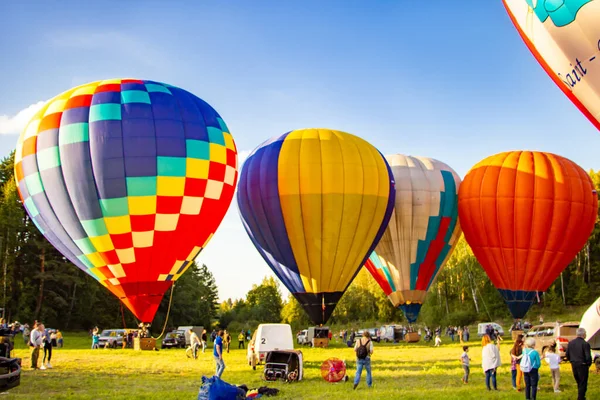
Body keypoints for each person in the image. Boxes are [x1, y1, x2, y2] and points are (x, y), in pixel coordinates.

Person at [566, 328, 592, 400]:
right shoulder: (585, 344)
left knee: (578, 381)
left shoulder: (570, 343)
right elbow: (588, 356)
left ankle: (581, 396)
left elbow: (567, 354)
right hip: (582, 364)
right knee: (583, 382)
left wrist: (571, 360)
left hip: (574, 364)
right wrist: (588, 363)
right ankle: (580, 397)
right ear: (583, 334)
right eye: (585, 333)